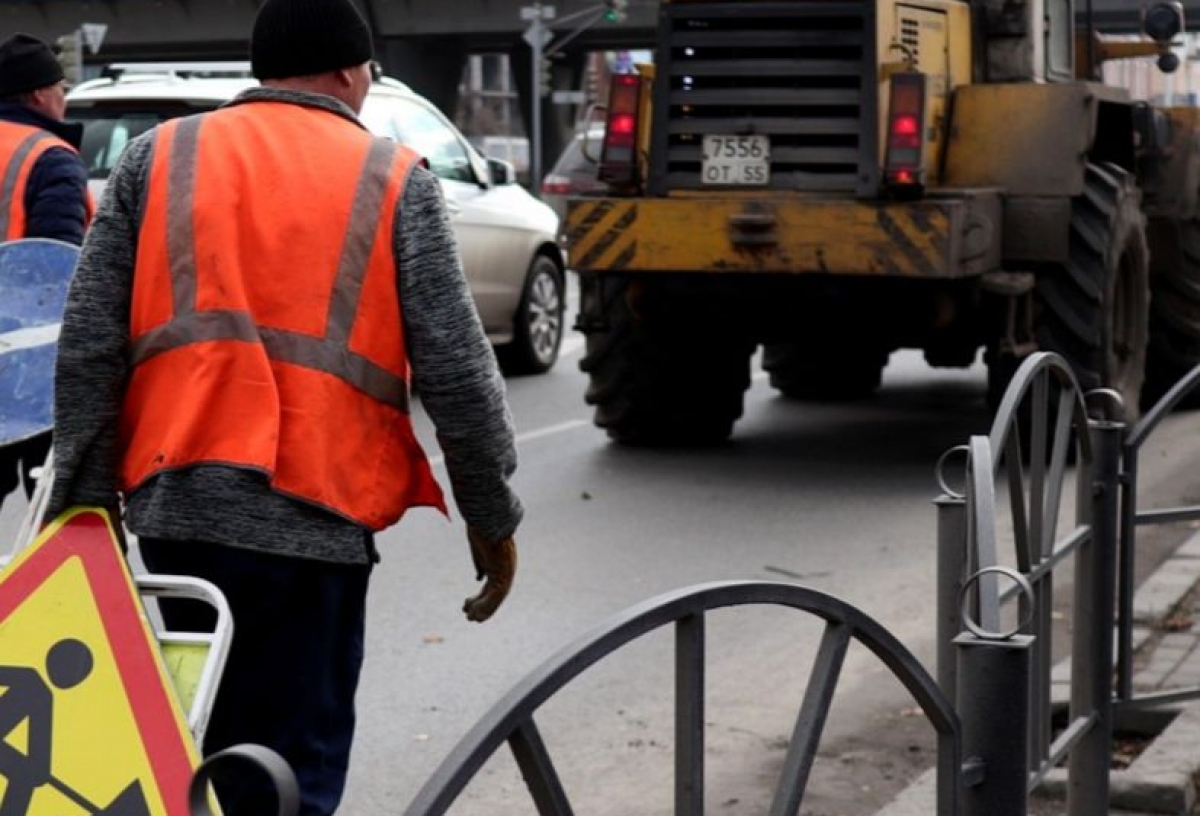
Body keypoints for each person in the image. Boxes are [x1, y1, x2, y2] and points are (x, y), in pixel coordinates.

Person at [46, 0, 522, 812]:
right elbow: (457, 372)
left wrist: (84, 501)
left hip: (175, 507)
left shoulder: (157, 158)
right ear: (349, 69)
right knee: (292, 763)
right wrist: (492, 516)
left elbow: (89, 342)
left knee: (190, 744)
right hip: (314, 517)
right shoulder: (393, 175)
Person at [0, 33, 91, 510]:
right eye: (62, 87)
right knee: (55, 512)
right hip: (32, 366)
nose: (64, 97)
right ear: (39, 94)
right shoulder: (47, 156)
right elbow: (58, 269)